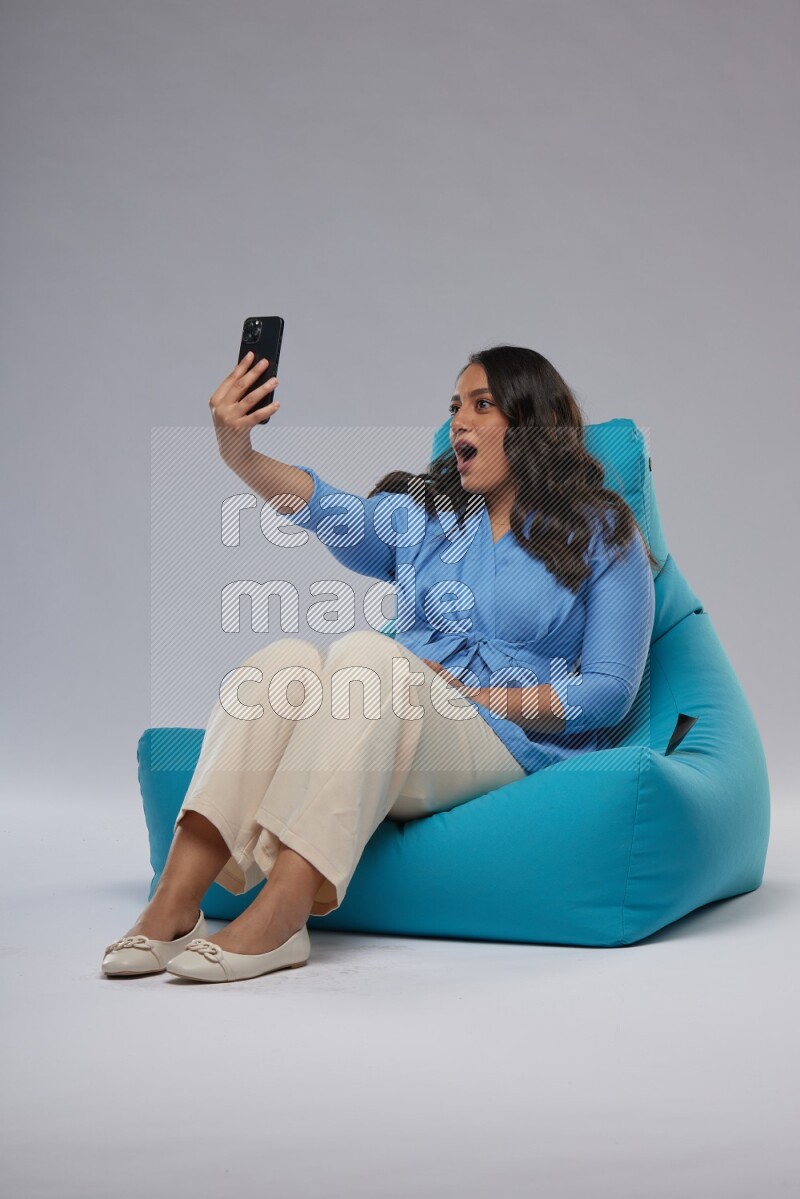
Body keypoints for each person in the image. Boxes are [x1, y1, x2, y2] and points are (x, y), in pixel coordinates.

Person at [101, 344, 658, 983]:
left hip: (505, 743)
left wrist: (477, 699)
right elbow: (323, 506)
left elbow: (609, 692)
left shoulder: (604, 532)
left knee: (369, 655)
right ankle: (173, 906)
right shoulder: (431, 517)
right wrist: (240, 454)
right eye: (455, 407)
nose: (460, 423)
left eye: (483, 405)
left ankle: (282, 916)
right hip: (391, 720)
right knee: (282, 662)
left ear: (532, 422)